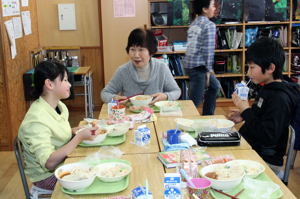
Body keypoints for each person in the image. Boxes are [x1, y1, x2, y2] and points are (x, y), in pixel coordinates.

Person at [18, 61, 98, 192]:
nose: (70, 84)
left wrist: (72, 131)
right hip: (47, 177)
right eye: (65, 80)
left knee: (97, 163)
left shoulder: (59, 106)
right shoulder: (36, 120)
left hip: (63, 164)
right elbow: (49, 163)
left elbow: (53, 133)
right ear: (49, 84)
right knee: (94, 179)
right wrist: (78, 138)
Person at [228, 37, 300, 175]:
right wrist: (243, 115)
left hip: (265, 161)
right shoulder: (267, 88)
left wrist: (246, 110)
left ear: (270, 68)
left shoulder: (280, 98)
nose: (248, 73)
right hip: (252, 149)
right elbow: (260, 116)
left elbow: (267, 136)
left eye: (252, 67)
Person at [101, 28, 181, 104]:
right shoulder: (123, 71)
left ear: (151, 51)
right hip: (131, 116)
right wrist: (114, 98)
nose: (136, 55)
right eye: (132, 49)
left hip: (156, 115)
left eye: (141, 50)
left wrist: (166, 96)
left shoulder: (161, 68)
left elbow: (176, 91)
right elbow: (105, 93)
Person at [184, 0, 220, 115]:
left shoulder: (193, 23)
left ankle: (208, 115)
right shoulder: (209, 25)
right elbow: (208, 50)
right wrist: (209, 70)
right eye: (212, 6)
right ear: (205, 9)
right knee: (194, 101)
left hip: (190, 65)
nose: (214, 8)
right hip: (200, 67)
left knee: (214, 86)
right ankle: (185, 120)